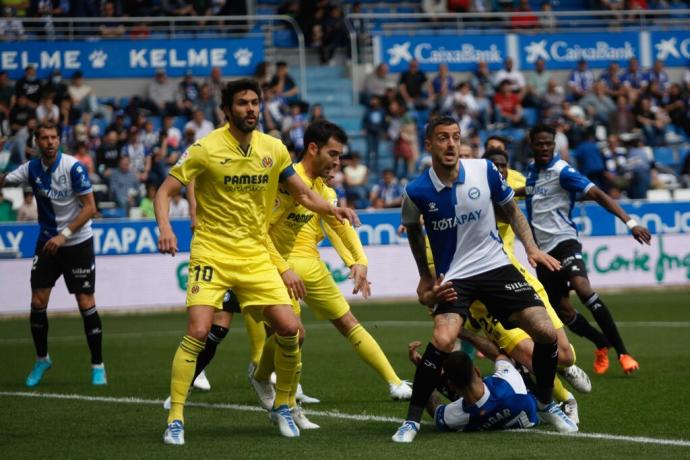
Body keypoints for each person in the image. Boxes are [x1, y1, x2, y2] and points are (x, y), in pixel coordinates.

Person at [153, 78, 358, 444]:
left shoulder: (274, 149)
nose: (251, 109)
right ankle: (176, 417)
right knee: (200, 331)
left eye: (255, 103)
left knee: (291, 329)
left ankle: (282, 405)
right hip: (212, 253)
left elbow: (304, 194)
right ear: (227, 109)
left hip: (255, 253)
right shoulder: (204, 148)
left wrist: (333, 208)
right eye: (243, 103)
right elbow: (165, 191)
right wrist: (165, 227)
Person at [392, 116, 575, 443]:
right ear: (429, 144)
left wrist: (531, 249)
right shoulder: (416, 191)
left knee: (546, 331)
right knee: (444, 339)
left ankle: (547, 403)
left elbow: (513, 212)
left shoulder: (484, 170)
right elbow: (414, 232)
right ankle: (411, 422)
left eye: (456, 137)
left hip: (495, 267)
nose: (451, 144)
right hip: (457, 277)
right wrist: (424, 277)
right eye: (443, 138)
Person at [250, 121, 412, 412]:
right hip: (277, 266)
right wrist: (281, 269)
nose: (338, 162)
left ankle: (395, 382)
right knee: (293, 334)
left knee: (348, 322)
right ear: (313, 149)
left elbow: (340, 227)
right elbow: (260, 229)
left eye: (340, 156)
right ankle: (273, 384)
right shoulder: (287, 181)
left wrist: (359, 261)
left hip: (310, 264)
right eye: (334, 154)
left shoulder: (324, 191)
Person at [521, 124, 651, 375]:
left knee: (583, 288)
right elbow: (529, 193)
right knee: (563, 311)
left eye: (549, 143)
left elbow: (599, 194)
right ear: (532, 145)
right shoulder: (531, 172)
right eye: (540, 144)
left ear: (554, 145)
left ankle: (624, 353)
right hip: (543, 253)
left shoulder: (563, 171)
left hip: (565, 241)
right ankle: (601, 343)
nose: (545, 148)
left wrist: (630, 222)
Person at [0, 121, 105, 387]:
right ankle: (42, 359)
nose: (49, 142)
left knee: (85, 301)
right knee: (37, 301)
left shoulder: (72, 167)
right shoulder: (31, 168)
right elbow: (3, 181)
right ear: (36, 142)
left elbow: (90, 207)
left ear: (59, 140)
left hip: (77, 241)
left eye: (54, 137)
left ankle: (98, 366)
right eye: (44, 138)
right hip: (48, 242)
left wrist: (64, 235)